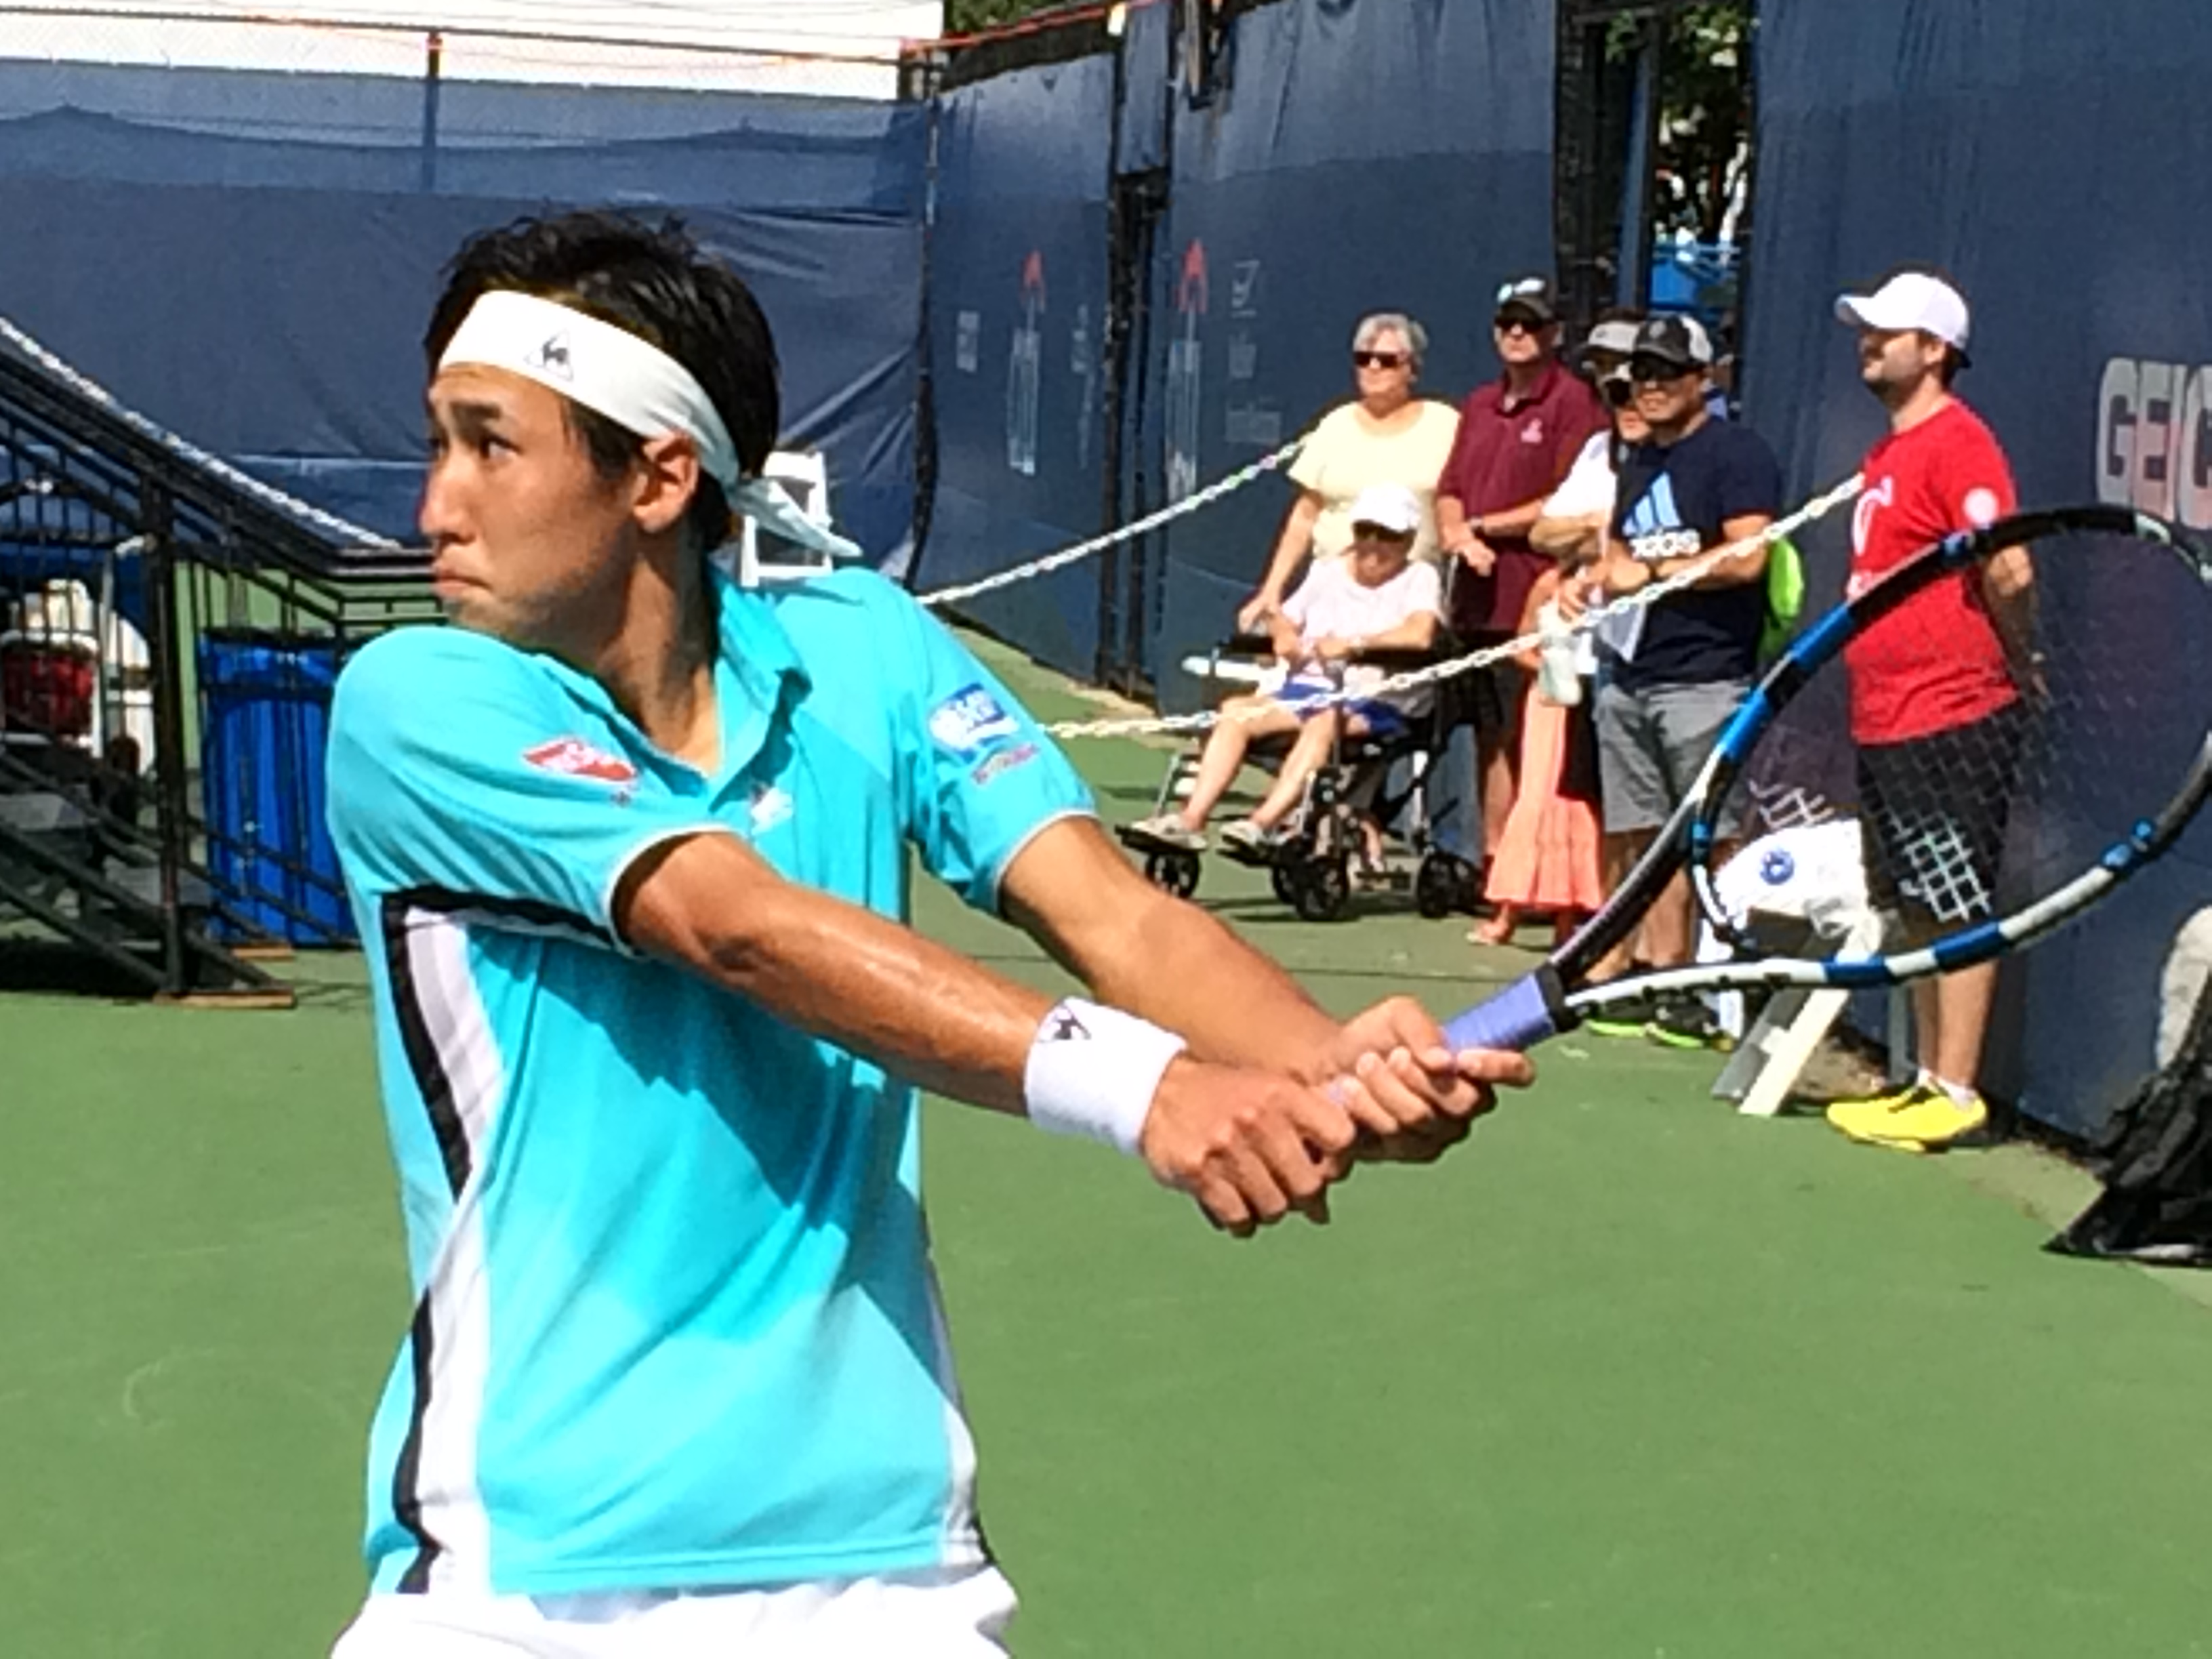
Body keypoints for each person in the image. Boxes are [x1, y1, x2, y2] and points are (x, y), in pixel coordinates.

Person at [321, 213, 1528, 1658]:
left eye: (489, 446)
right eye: (439, 443)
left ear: (657, 475)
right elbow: (736, 927)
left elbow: (1112, 913)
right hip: (519, 1578)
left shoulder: (866, 649)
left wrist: (1324, 1065)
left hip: (884, 1572)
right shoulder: (417, 700)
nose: (435, 505)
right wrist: (1150, 1087)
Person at [1819, 269, 2029, 1152]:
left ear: (1935, 349)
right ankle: (1925, 1080)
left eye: (1889, 332)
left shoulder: (1958, 443)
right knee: (1913, 903)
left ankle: (1957, 1088)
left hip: (1952, 714)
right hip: (1886, 715)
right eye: (1867, 331)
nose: (1870, 344)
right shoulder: (1890, 454)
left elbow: (2009, 568)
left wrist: (2022, 659)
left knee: (1955, 898)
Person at [1578, 313, 1780, 1049]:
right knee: (1641, 835)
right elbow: (1620, 552)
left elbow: (1749, 557)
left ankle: (1714, 986)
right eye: (1641, 373)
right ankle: (1655, 976)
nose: (1651, 386)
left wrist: (1658, 573)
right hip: (1630, 673)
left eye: (1667, 372)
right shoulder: (1637, 457)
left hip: (1705, 678)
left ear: (1702, 379)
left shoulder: (1736, 454)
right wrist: (1597, 579)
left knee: (1710, 838)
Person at [1128, 483, 1441, 857]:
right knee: (1236, 711)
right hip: (1307, 691)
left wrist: (1355, 643)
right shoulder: (1328, 571)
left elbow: (1420, 634)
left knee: (1324, 720)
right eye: (1365, 531)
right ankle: (1190, 820)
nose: (1373, 544)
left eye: (1387, 535)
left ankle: (1261, 824)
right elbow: (1284, 618)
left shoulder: (1420, 577)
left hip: (1375, 700)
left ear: (1408, 540)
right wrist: (1284, 636)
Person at [1429, 276, 1607, 890]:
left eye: (1530, 324)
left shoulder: (1573, 404)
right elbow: (1450, 489)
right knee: (1483, 735)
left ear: (1554, 335)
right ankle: (1490, 863)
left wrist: (1484, 527)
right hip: (1472, 600)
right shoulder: (1480, 403)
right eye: (1507, 323)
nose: (1516, 334)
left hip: (1531, 595)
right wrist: (1458, 534)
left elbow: (1563, 502)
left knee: (1523, 738)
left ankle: (1532, 873)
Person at [1237, 312, 1459, 632]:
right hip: (1332, 590)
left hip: (1409, 591)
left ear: (1412, 369)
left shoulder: (1444, 424)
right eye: (1364, 359)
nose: (1373, 367)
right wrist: (1271, 589)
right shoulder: (1335, 424)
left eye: (1387, 360)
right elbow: (1304, 516)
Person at [1468, 554, 1603, 947]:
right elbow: (1521, 646)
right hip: (1551, 701)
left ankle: (1568, 921)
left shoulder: (1615, 585)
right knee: (1537, 800)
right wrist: (1554, 669)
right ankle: (1507, 913)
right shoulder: (1550, 582)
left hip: (1596, 701)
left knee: (1579, 809)